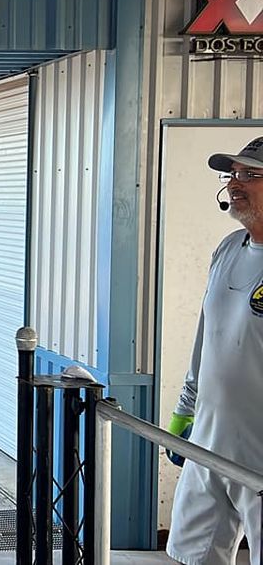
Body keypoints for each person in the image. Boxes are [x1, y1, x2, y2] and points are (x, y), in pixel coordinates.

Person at [166, 137, 263, 565]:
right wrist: (185, 411)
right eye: (234, 174)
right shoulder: (228, 248)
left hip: (260, 450)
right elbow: (207, 337)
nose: (236, 184)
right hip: (209, 438)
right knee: (193, 555)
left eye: (252, 175)